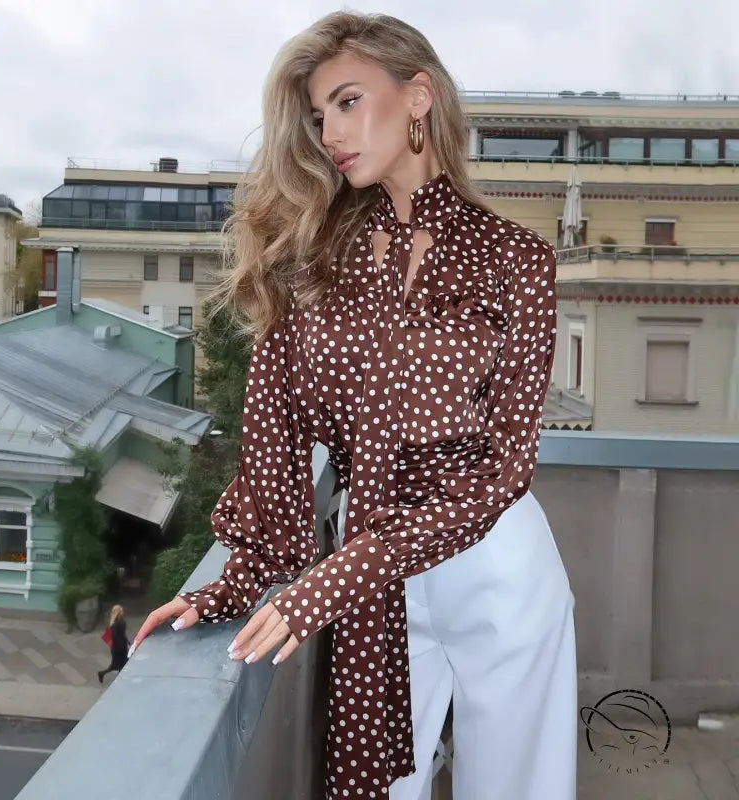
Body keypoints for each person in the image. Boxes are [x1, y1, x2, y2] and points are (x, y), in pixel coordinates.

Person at [132, 11, 577, 799]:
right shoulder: (308, 265)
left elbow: (502, 469)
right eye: (315, 116)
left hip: (496, 572)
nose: (329, 132)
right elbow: (272, 451)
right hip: (374, 588)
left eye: (345, 101)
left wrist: (336, 580)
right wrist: (229, 588)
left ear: (417, 96)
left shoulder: (518, 260)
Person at [98, 604, 130, 684]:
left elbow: (121, 635)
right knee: (117, 664)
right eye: (121, 611)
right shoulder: (117, 624)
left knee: (122, 663)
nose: (123, 612)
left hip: (120, 647)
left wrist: (127, 642)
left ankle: (119, 678)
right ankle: (102, 673)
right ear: (118, 612)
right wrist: (119, 647)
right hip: (119, 648)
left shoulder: (118, 622)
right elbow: (116, 637)